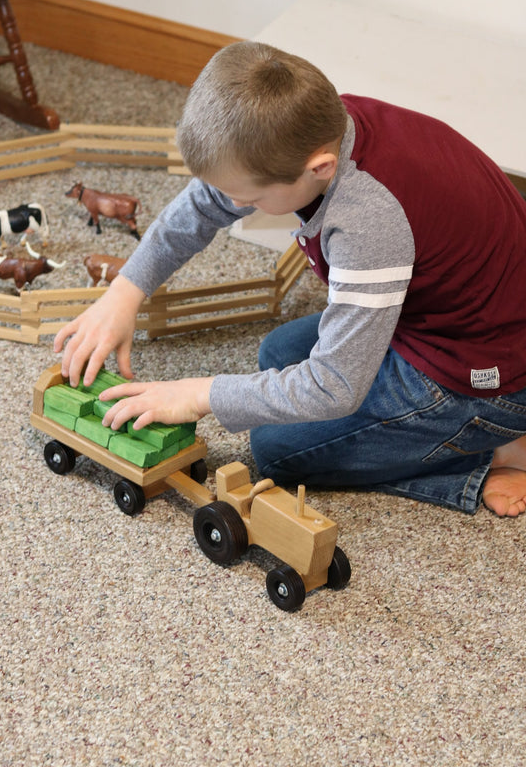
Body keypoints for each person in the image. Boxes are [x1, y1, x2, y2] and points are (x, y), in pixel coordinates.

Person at [54, 41, 526, 518]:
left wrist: (197, 394)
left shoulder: (367, 220)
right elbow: (204, 204)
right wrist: (124, 292)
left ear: (317, 168)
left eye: (246, 199)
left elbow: (335, 385)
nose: (229, 204)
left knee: (278, 452)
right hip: (433, 314)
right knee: (276, 355)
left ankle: (493, 449)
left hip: (489, 373)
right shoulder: (315, 126)